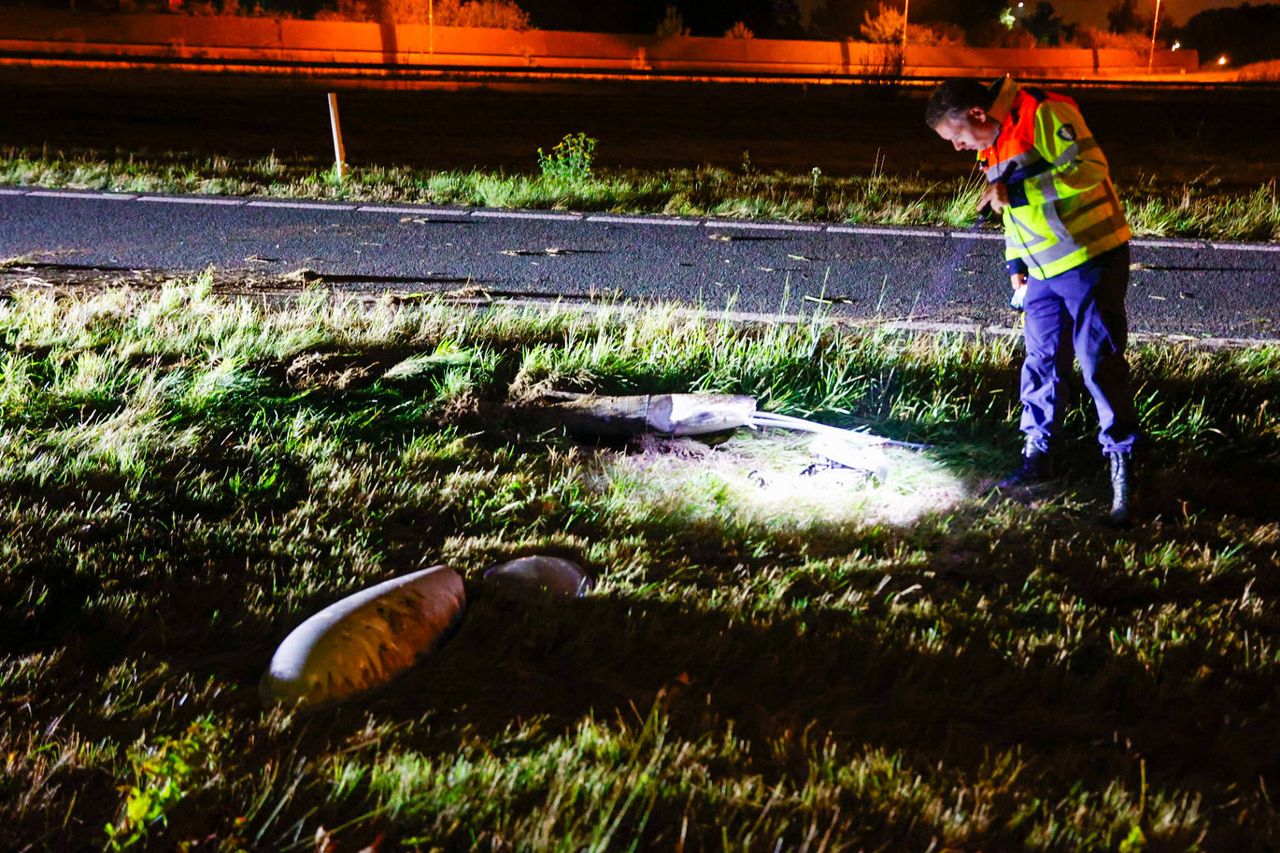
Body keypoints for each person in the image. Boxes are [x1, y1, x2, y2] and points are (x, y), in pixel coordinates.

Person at [925, 77, 1140, 523]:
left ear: (977, 115)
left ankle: (1123, 470)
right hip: (1041, 272)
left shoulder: (1042, 113)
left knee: (1098, 362)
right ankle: (1038, 459)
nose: (959, 148)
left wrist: (1022, 189)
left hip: (1088, 257)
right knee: (1041, 363)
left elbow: (1092, 168)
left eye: (958, 136)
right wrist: (1016, 271)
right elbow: (1012, 217)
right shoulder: (993, 144)